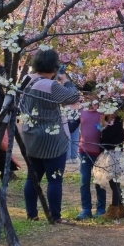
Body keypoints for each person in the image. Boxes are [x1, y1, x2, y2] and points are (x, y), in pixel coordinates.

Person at [19, 48, 81, 223]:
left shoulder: (26, 80)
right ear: (54, 66)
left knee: (33, 177)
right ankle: (55, 216)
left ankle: (32, 214)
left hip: (31, 135)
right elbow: (73, 97)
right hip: (52, 139)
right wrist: (66, 81)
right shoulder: (50, 85)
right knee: (54, 179)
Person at [74, 82, 107, 220]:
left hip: (100, 152)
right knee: (84, 180)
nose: (88, 97)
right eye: (86, 94)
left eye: (91, 93)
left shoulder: (104, 110)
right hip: (84, 151)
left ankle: (101, 209)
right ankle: (86, 209)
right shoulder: (81, 109)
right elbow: (72, 125)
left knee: (100, 181)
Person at [94, 107, 124, 219]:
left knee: (114, 184)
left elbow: (107, 138)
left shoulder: (113, 124)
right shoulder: (114, 123)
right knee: (116, 184)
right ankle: (122, 208)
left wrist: (103, 126)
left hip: (111, 156)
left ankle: (114, 210)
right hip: (114, 155)